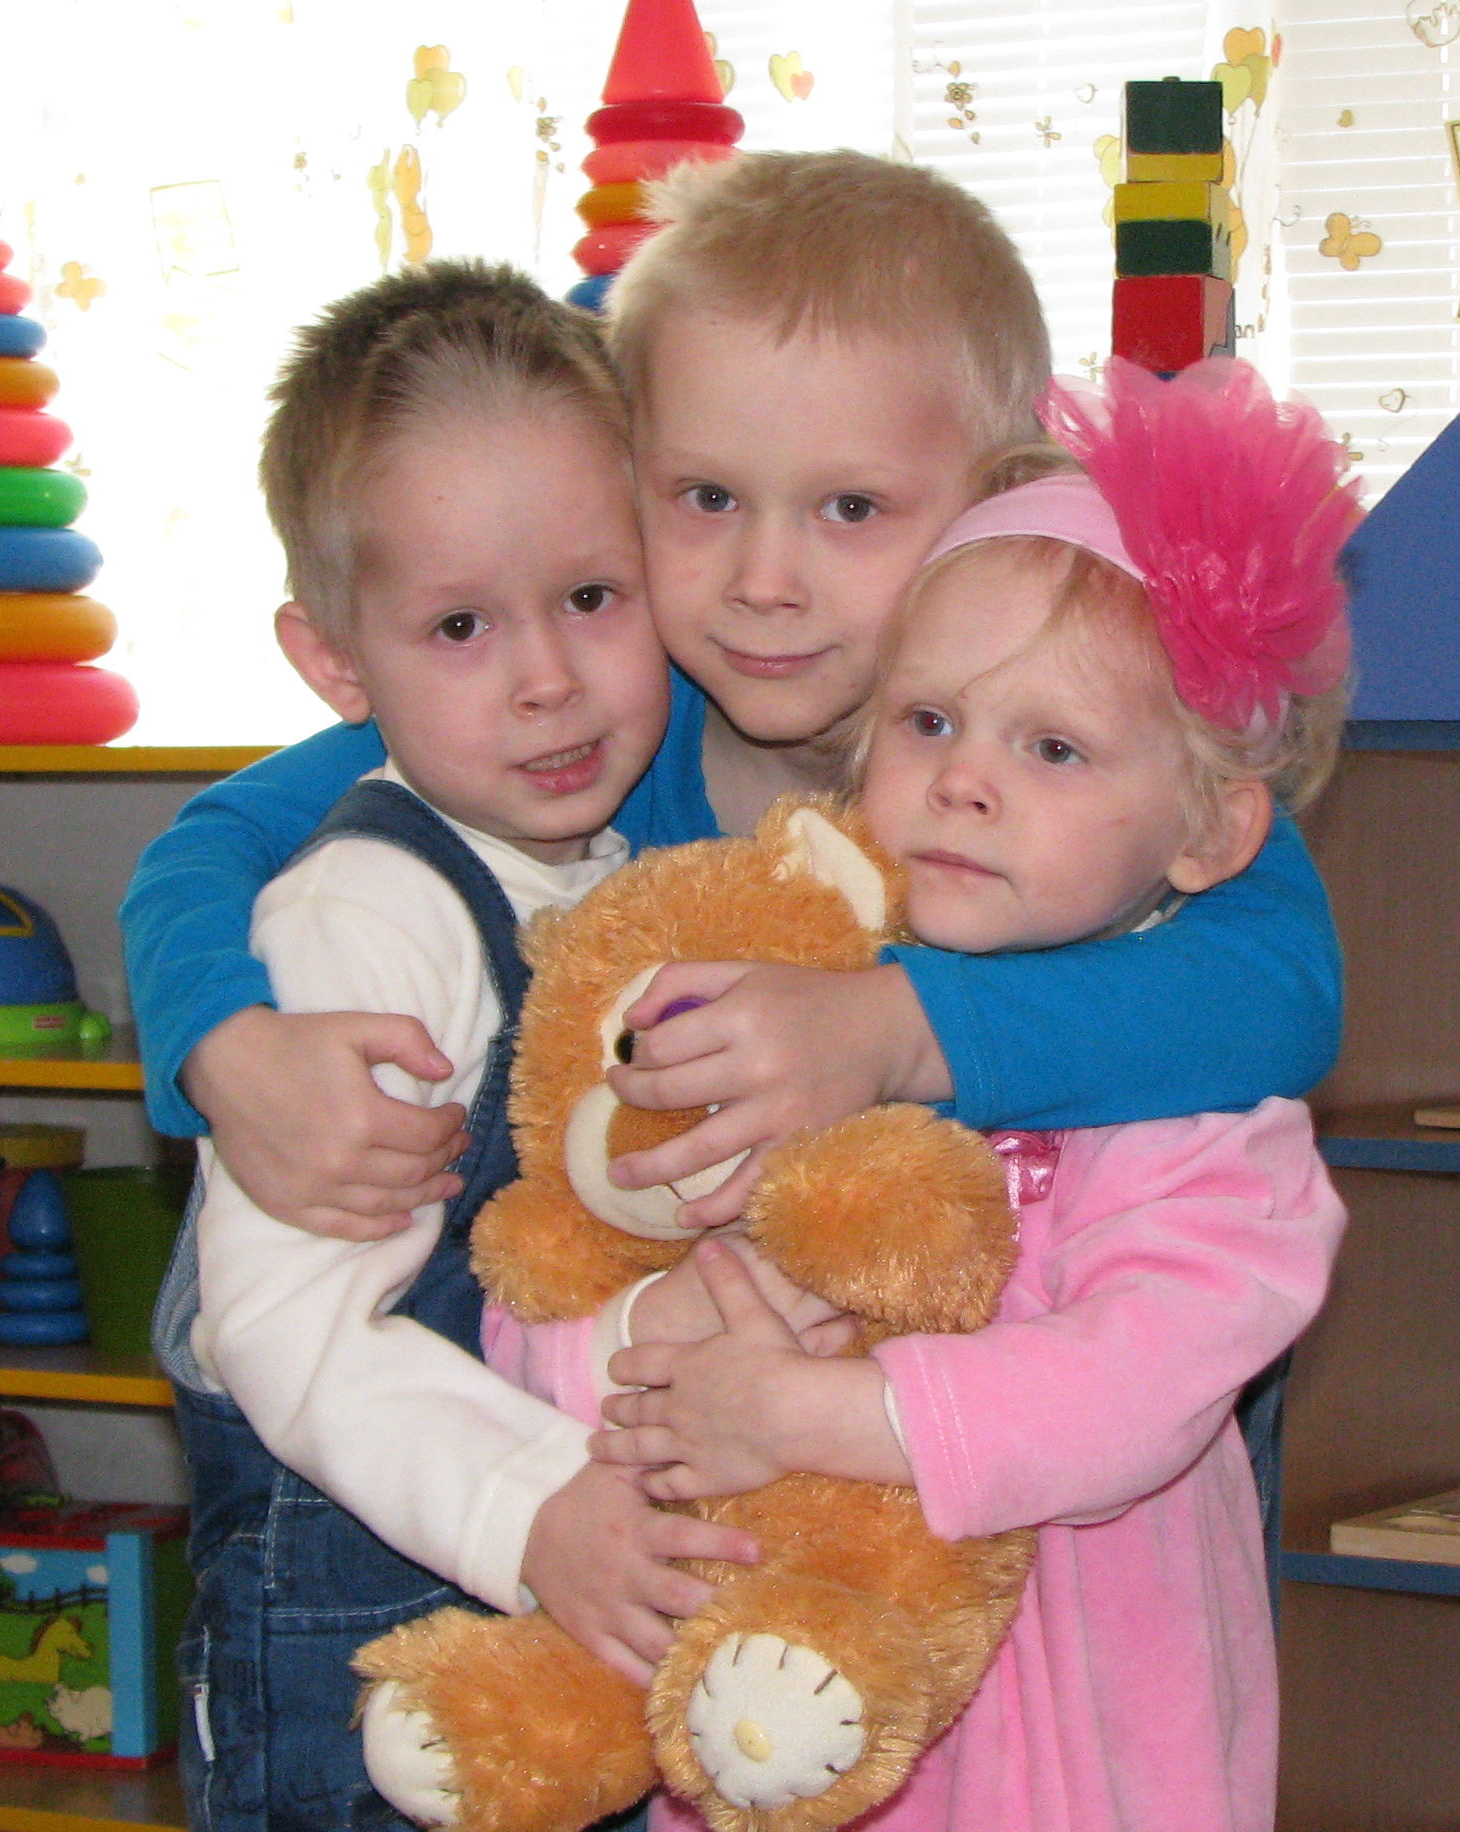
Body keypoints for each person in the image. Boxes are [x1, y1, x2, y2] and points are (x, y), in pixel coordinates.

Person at [117, 152, 1345, 1263]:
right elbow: (215, 841)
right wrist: (223, 1048)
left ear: (998, 493)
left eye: (850, 508)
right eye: (706, 497)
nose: (762, 583)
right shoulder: (595, 725)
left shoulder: (1073, 755)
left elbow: (1279, 986)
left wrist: (899, 1028)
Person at [534, 360, 1359, 1832]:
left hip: (1080, 1766)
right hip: (766, 1718)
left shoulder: (1204, 1122)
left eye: (1053, 747)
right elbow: (562, 1260)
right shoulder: (795, 1016)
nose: (966, 781)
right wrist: (647, 1338)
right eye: (928, 722)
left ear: (1207, 829)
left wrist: (808, 1412)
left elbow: (1131, 1397)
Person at [163, 262, 837, 1831]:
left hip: (574, 1640)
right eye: (461, 625)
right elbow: (282, 1329)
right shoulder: (367, 916)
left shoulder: (612, 876)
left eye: (592, 598)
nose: (548, 678)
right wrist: (531, 1508)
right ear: (335, 661)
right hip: (367, 1665)